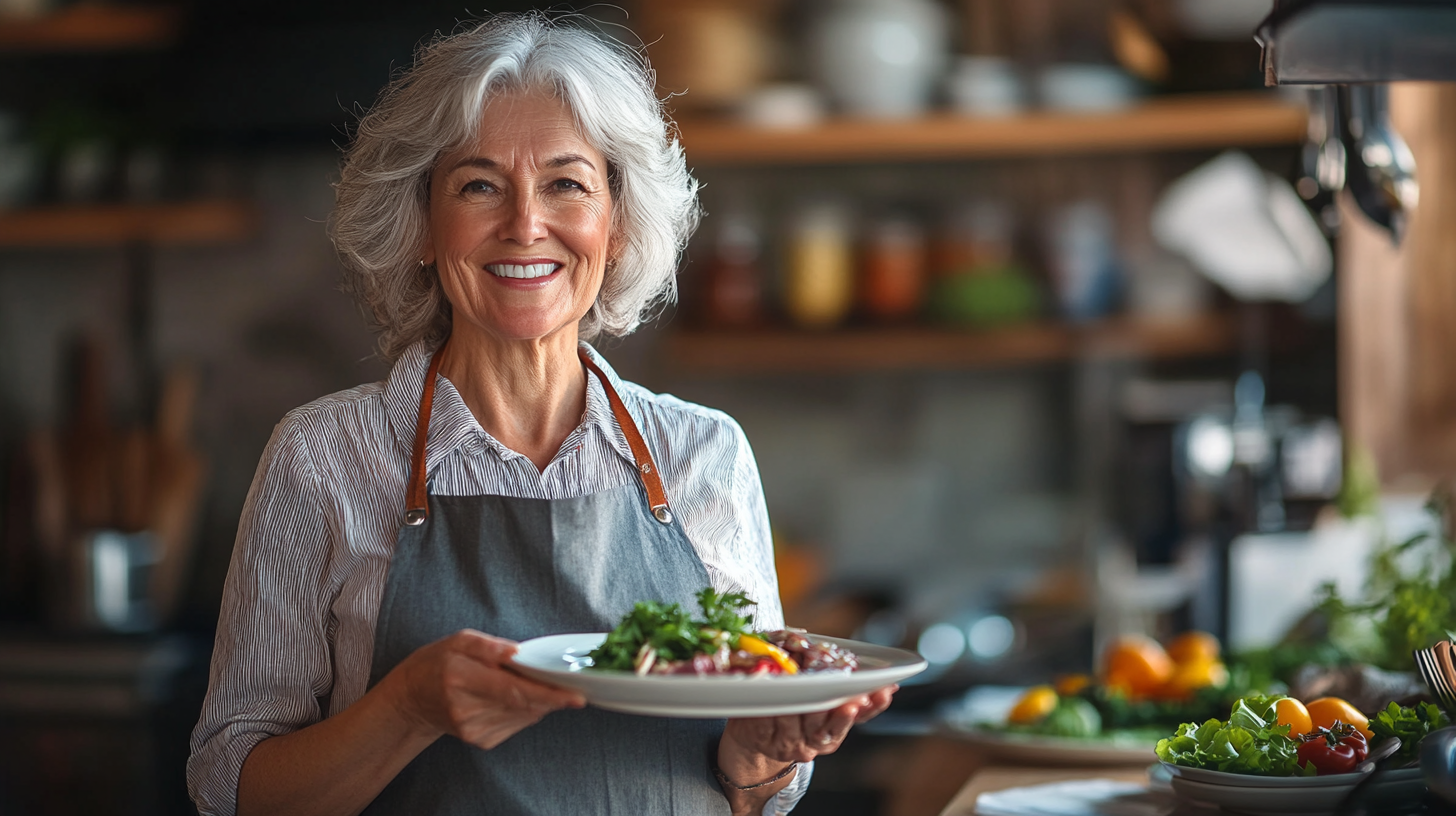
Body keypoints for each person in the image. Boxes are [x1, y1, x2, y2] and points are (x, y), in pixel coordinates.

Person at [187, 13, 896, 816]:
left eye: (566, 184)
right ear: (422, 223)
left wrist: (759, 755)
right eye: (480, 185)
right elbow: (229, 785)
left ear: (617, 225)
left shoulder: (704, 454)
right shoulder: (324, 458)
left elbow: (753, 790)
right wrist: (407, 708)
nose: (526, 224)